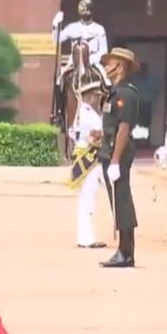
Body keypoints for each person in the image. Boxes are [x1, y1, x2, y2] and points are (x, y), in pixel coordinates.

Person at [97, 47, 140, 268]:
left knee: (121, 200)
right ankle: (123, 250)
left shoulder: (125, 93)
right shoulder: (114, 92)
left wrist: (115, 160)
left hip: (118, 153)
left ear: (120, 66)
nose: (105, 67)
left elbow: (124, 128)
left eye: (109, 63)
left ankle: (126, 252)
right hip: (109, 150)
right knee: (117, 201)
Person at [67, 82, 107, 249]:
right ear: (89, 96)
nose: (98, 99)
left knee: (88, 198)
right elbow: (94, 136)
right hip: (88, 157)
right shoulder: (85, 114)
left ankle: (86, 237)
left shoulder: (82, 112)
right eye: (97, 96)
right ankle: (86, 239)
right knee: (87, 199)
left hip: (88, 155)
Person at [51, 0, 110, 88]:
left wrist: (90, 60)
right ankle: (61, 102)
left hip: (93, 61)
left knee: (106, 81)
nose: (85, 10)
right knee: (59, 81)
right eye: (82, 7)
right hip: (74, 61)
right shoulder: (72, 28)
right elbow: (56, 40)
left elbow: (104, 51)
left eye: (87, 7)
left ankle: (106, 101)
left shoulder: (99, 29)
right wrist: (55, 26)